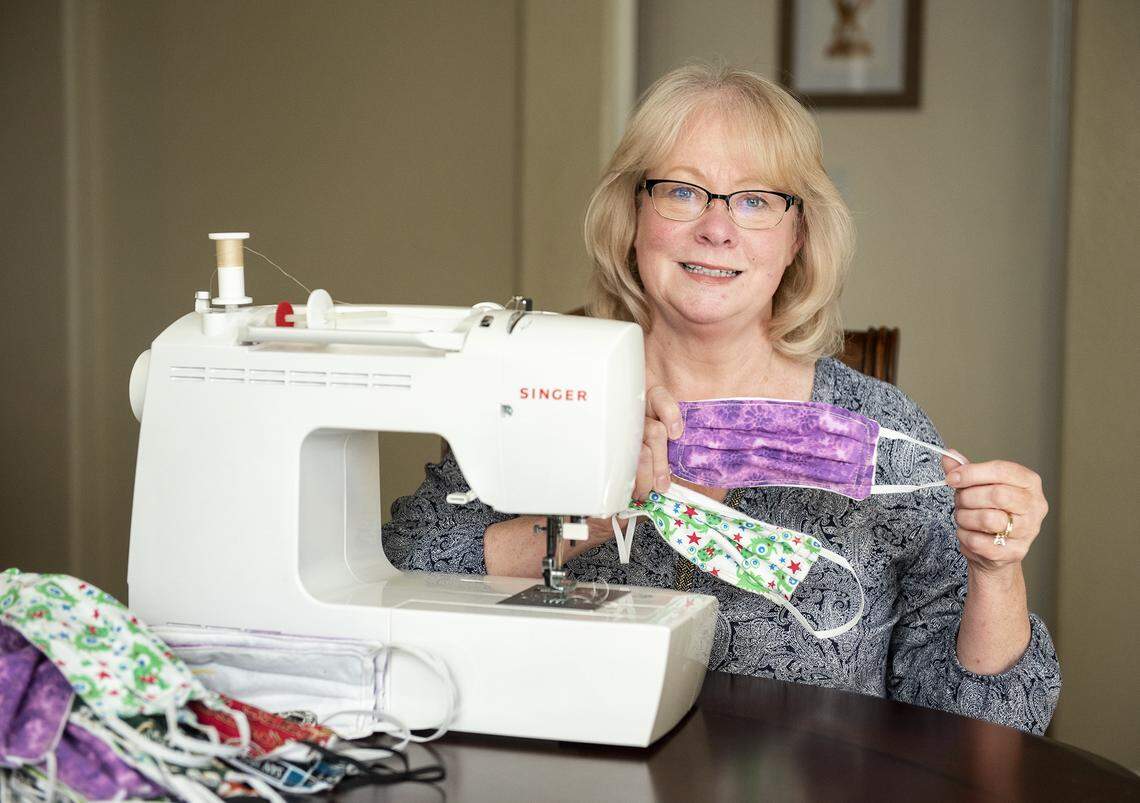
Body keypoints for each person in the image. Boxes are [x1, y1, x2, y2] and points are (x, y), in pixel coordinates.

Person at [383, 64, 1060, 735]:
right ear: (633, 216)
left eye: (756, 200)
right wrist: (592, 515)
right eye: (682, 191)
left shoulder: (880, 430)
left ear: (797, 238)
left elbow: (986, 725)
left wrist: (995, 571)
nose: (717, 228)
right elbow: (403, 568)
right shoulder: (533, 391)